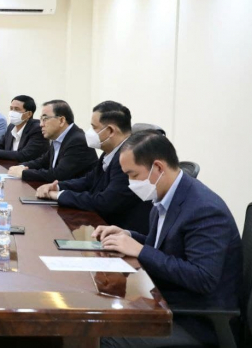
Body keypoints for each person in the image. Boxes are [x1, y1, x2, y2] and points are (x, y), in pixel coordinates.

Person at [94, 132, 242, 347]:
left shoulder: (205, 209)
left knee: (102, 334)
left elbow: (202, 278)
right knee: (103, 315)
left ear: (158, 168)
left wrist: (140, 250)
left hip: (198, 321)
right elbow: (165, 246)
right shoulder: (166, 196)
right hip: (169, 302)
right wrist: (128, 236)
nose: (130, 183)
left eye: (133, 175)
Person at [36, 101, 152, 233]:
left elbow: (105, 203)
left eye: (94, 127)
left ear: (110, 131)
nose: (89, 132)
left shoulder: (127, 158)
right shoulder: (110, 152)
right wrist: (57, 186)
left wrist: (59, 195)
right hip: (106, 226)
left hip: (123, 232)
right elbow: (88, 180)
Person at [8, 99, 97, 183]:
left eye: (45, 119)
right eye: (41, 120)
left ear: (61, 120)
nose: (41, 124)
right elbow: (42, 162)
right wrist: (21, 167)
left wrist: (23, 173)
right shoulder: (59, 137)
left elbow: (58, 175)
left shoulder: (77, 141)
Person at [0, 95, 48, 162]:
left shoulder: (37, 129)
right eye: (11, 108)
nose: (12, 112)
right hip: (9, 167)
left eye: (17, 109)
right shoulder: (11, 126)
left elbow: (24, 155)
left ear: (29, 114)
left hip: (29, 170)